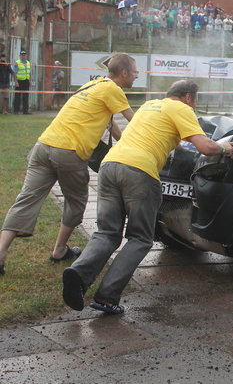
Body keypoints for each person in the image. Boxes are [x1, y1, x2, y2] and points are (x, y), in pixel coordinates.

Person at [62, 80, 233, 314]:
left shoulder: (149, 106)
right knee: (140, 238)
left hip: (110, 166)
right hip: (139, 172)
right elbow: (205, 147)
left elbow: (172, 143)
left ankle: (79, 273)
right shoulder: (182, 109)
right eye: (195, 101)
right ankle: (107, 297)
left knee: (107, 232)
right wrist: (226, 149)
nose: (194, 106)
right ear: (188, 97)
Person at [0, 53, 137, 275]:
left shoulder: (92, 85)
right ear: (123, 73)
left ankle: (0, 253)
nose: (136, 77)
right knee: (76, 201)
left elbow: (110, 123)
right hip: (69, 151)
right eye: (135, 73)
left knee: (26, 198)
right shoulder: (113, 89)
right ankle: (59, 250)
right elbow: (134, 120)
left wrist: (124, 143)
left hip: (43, 146)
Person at [12, 50, 32, 114]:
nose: (23, 56)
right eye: (22, 55)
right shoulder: (17, 62)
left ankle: (25, 111)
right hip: (19, 81)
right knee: (17, 96)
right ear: (20, 56)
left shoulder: (28, 63)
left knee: (26, 96)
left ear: (26, 56)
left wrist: (30, 81)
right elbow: (14, 72)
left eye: (24, 55)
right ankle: (16, 111)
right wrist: (16, 81)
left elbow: (30, 73)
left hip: (26, 81)